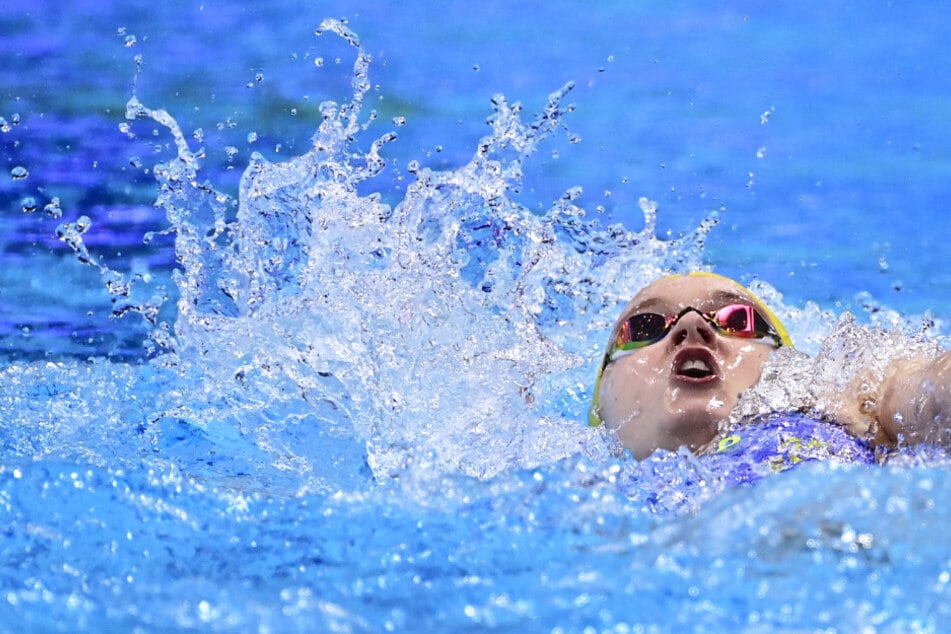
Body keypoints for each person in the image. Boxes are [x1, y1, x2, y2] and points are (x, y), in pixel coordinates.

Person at [589, 272, 951, 472]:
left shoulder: (859, 428)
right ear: (600, 402)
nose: (691, 325)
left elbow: (935, 398)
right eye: (645, 327)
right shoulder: (584, 502)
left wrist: (887, 397)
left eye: (737, 320)